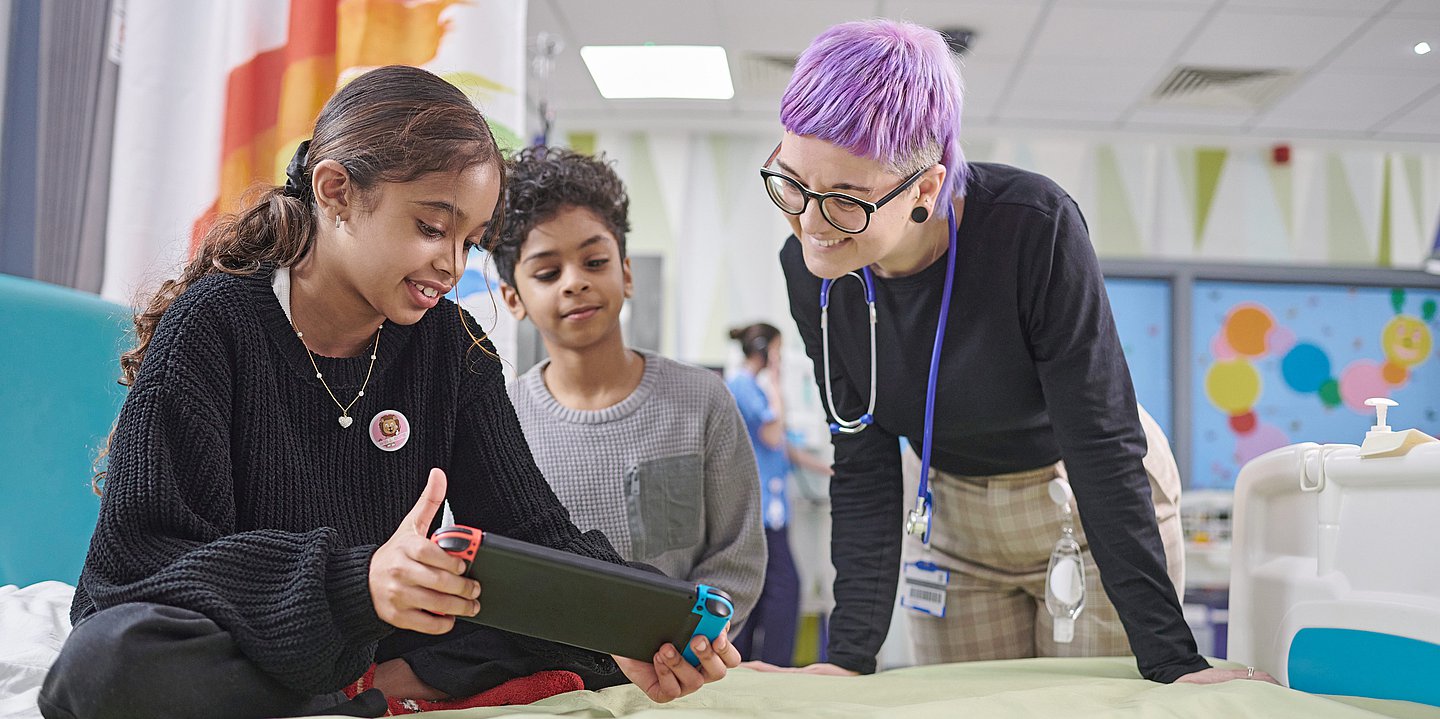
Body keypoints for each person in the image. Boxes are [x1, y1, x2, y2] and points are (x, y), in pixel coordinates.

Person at [39, 66, 737, 719]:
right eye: (432, 227)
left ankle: (367, 690)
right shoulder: (214, 326)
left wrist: (630, 623)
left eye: (469, 239)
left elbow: (534, 533)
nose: (451, 263)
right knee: (105, 663)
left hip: (383, 639)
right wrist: (355, 583)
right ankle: (367, 697)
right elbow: (131, 573)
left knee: (535, 619)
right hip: (252, 638)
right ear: (336, 190)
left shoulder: (451, 345)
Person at [752, 20, 1272, 685]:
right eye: (791, 183)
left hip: (1082, 502)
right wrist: (848, 659)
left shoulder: (1034, 226)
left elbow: (1100, 440)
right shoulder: (812, 270)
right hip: (953, 516)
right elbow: (863, 453)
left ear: (926, 186)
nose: (811, 224)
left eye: (847, 201)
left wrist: (1172, 659)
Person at [494, 146, 765, 626]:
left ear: (626, 272)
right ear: (514, 299)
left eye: (594, 261)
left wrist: (688, 643)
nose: (574, 282)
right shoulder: (499, 421)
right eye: (547, 273)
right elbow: (499, 574)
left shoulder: (702, 401)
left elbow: (735, 558)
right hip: (549, 683)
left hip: (680, 675)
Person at [725, 323, 832, 666]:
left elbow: (781, 448)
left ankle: (753, 664)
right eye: (778, 351)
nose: (781, 360)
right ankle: (774, 665)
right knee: (785, 590)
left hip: (770, 510)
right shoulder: (744, 386)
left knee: (764, 592)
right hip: (759, 512)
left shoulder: (748, 387)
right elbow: (772, 435)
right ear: (765, 350)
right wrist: (775, 383)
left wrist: (826, 469)